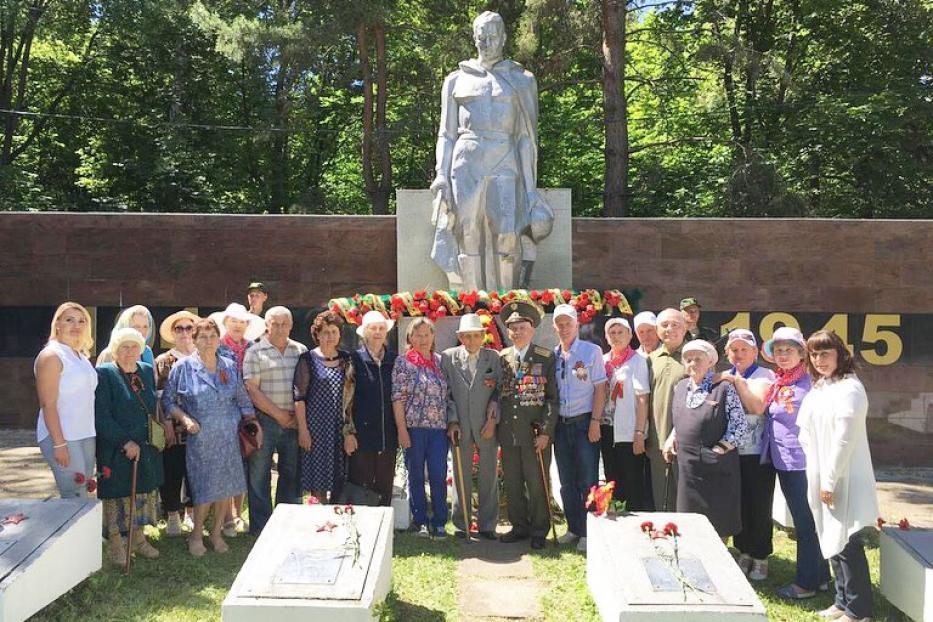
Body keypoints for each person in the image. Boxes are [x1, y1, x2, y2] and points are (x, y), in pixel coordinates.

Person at [430, 11, 554, 290]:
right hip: (466, 159)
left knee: (507, 233)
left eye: (492, 36)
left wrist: (530, 187)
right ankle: (470, 303)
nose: (486, 43)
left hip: (505, 158)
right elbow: (446, 133)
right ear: (474, 39)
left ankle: (508, 303)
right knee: (467, 231)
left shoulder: (522, 79)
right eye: (481, 38)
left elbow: (526, 136)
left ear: (504, 37)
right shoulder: (455, 80)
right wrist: (441, 174)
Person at [161, 318, 259, 557]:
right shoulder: (183, 368)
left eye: (212, 336)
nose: (208, 341)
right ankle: (196, 535)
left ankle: (215, 533)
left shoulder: (228, 365)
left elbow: (243, 401)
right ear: (194, 340)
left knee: (226, 486)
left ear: (219, 339)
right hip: (201, 438)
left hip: (228, 436)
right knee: (204, 487)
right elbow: (168, 401)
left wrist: (253, 422)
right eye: (202, 337)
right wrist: (184, 419)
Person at [799, 330, 879, 622]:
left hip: (842, 476)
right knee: (831, 538)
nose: (819, 360)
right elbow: (806, 430)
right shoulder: (822, 386)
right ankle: (842, 600)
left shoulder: (850, 389)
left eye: (825, 353)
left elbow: (844, 441)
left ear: (840, 354)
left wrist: (829, 481)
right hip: (823, 473)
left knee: (847, 542)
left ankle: (859, 610)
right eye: (814, 354)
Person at [760, 326, 831, 599]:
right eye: (778, 350)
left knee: (805, 523)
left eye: (789, 349)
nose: (783, 355)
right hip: (783, 461)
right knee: (807, 520)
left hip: (803, 462)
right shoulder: (781, 380)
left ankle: (805, 583)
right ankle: (821, 576)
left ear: (802, 353)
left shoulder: (811, 382)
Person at [663, 340, 746, 539]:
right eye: (688, 359)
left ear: (710, 361)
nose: (692, 363)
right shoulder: (681, 387)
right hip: (687, 466)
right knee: (688, 519)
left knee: (718, 520)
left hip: (716, 466)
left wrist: (718, 450)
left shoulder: (724, 388)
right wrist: (671, 438)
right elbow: (680, 418)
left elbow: (739, 427)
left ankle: (718, 561)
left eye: (698, 359)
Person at [94, 328, 163, 564]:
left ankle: (138, 539)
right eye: (124, 346)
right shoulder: (105, 374)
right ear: (115, 348)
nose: (130, 351)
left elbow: (151, 405)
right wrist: (124, 442)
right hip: (115, 448)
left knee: (142, 489)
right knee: (116, 494)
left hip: (145, 446)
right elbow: (101, 416)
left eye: (134, 346)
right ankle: (116, 545)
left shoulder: (144, 370)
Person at [497, 301, 559, 549]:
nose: (517, 332)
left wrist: (545, 432)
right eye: (513, 328)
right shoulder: (501, 358)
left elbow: (552, 400)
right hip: (509, 433)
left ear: (532, 329)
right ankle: (519, 526)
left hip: (535, 434)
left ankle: (539, 529)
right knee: (512, 483)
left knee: (536, 483)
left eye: (522, 327)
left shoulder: (545, 358)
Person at [718, 329, 777, 580]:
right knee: (738, 502)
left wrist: (737, 382)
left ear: (755, 352)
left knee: (759, 503)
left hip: (757, 452)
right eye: (734, 350)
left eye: (744, 349)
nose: (739, 354)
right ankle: (743, 550)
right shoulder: (723, 375)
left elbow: (757, 406)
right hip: (731, 452)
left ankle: (760, 555)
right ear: (727, 353)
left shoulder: (765, 375)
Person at [243, 306, 307, 535]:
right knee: (259, 475)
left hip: (294, 421)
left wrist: (296, 418)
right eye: (275, 323)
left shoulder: (300, 350)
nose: (280, 328)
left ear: (291, 326)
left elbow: (306, 386)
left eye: (284, 324)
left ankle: (286, 524)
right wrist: (278, 414)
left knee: (291, 473)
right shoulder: (255, 351)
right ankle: (261, 528)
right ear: (267, 325)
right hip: (265, 421)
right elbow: (252, 389)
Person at [442, 313, 502, 540]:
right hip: (460, 427)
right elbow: (445, 393)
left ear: (483, 336)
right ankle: (462, 523)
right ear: (460, 337)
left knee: (489, 475)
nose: (471, 341)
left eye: (476, 336)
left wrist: (492, 419)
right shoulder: (448, 358)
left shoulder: (493, 358)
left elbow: (499, 392)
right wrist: (453, 420)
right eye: (466, 336)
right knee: (460, 475)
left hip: (486, 426)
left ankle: (487, 525)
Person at [553, 303, 607, 552]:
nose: (564, 328)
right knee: (566, 480)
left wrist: (595, 421)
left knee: (588, 479)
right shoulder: (553, 355)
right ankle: (574, 528)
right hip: (561, 426)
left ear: (577, 324)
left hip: (585, 422)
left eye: (568, 323)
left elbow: (599, 387)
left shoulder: (591, 351)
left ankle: (591, 530)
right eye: (560, 324)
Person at [392, 318, 450, 539]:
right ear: (410, 338)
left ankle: (439, 521)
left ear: (433, 337)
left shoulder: (439, 361)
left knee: (438, 474)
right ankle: (421, 521)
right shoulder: (404, 362)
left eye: (427, 334)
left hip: (438, 430)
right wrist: (402, 430)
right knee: (415, 474)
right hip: (414, 428)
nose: (423, 339)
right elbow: (397, 398)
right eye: (418, 335)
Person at [34, 302, 98, 498]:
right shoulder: (51, 356)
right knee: (73, 495)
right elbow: (47, 404)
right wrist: (59, 443)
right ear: (58, 324)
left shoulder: (80, 356)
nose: (76, 325)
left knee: (84, 490)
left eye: (81, 321)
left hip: (85, 433)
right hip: (62, 436)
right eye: (69, 320)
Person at [210, 302, 263, 535]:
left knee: (245, 458)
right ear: (225, 323)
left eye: (242, 321)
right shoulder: (215, 347)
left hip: (251, 409)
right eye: (234, 321)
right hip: (224, 411)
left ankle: (238, 513)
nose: (238, 325)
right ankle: (227, 517)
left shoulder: (254, 347)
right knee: (226, 462)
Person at [294, 310, 352, 502]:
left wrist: (350, 431)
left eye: (334, 332)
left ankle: (338, 518)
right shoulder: (307, 360)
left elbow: (351, 397)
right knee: (317, 480)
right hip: (316, 429)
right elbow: (299, 398)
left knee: (341, 477)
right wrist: (303, 431)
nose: (330, 336)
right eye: (325, 332)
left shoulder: (346, 359)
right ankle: (319, 518)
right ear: (317, 334)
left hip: (340, 428)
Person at [344, 311, 399, 506]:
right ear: (364, 332)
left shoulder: (395, 360)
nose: (377, 332)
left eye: (381, 328)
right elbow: (346, 400)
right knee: (361, 484)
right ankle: (360, 530)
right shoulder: (353, 360)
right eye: (373, 328)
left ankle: (384, 528)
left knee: (385, 484)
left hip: (388, 434)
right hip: (361, 435)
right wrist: (348, 433)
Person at [154, 309, 200, 536]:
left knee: (195, 472)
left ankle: (190, 514)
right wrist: (168, 425)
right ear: (172, 333)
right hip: (173, 428)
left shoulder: (203, 357)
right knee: (171, 472)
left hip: (199, 428)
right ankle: (173, 515)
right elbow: (160, 396)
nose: (184, 333)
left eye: (188, 328)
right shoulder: (164, 360)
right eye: (179, 329)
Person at [600, 317, 652, 511]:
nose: (616, 337)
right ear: (606, 337)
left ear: (630, 335)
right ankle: (616, 520)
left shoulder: (638, 361)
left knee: (632, 480)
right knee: (611, 478)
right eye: (612, 333)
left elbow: (642, 399)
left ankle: (636, 523)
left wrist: (639, 432)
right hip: (607, 428)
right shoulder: (603, 361)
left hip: (629, 431)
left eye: (620, 332)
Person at [647, 308, 688, 511]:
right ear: (657, 329)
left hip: (686, 440)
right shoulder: (650, 359)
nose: (669, 329)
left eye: (675, 324)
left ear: (685, 328)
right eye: (664, 325)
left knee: (686, 496)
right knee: (661, 496)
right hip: (656, 439)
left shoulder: (694, 358)